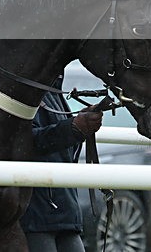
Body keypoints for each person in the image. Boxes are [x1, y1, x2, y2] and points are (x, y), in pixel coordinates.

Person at [19, 73, 103, 252]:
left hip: (64, 211)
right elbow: (25, 143)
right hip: (36, 215)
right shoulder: (26, 88)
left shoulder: (52, 89)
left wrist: (78, 126)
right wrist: (73, 128)